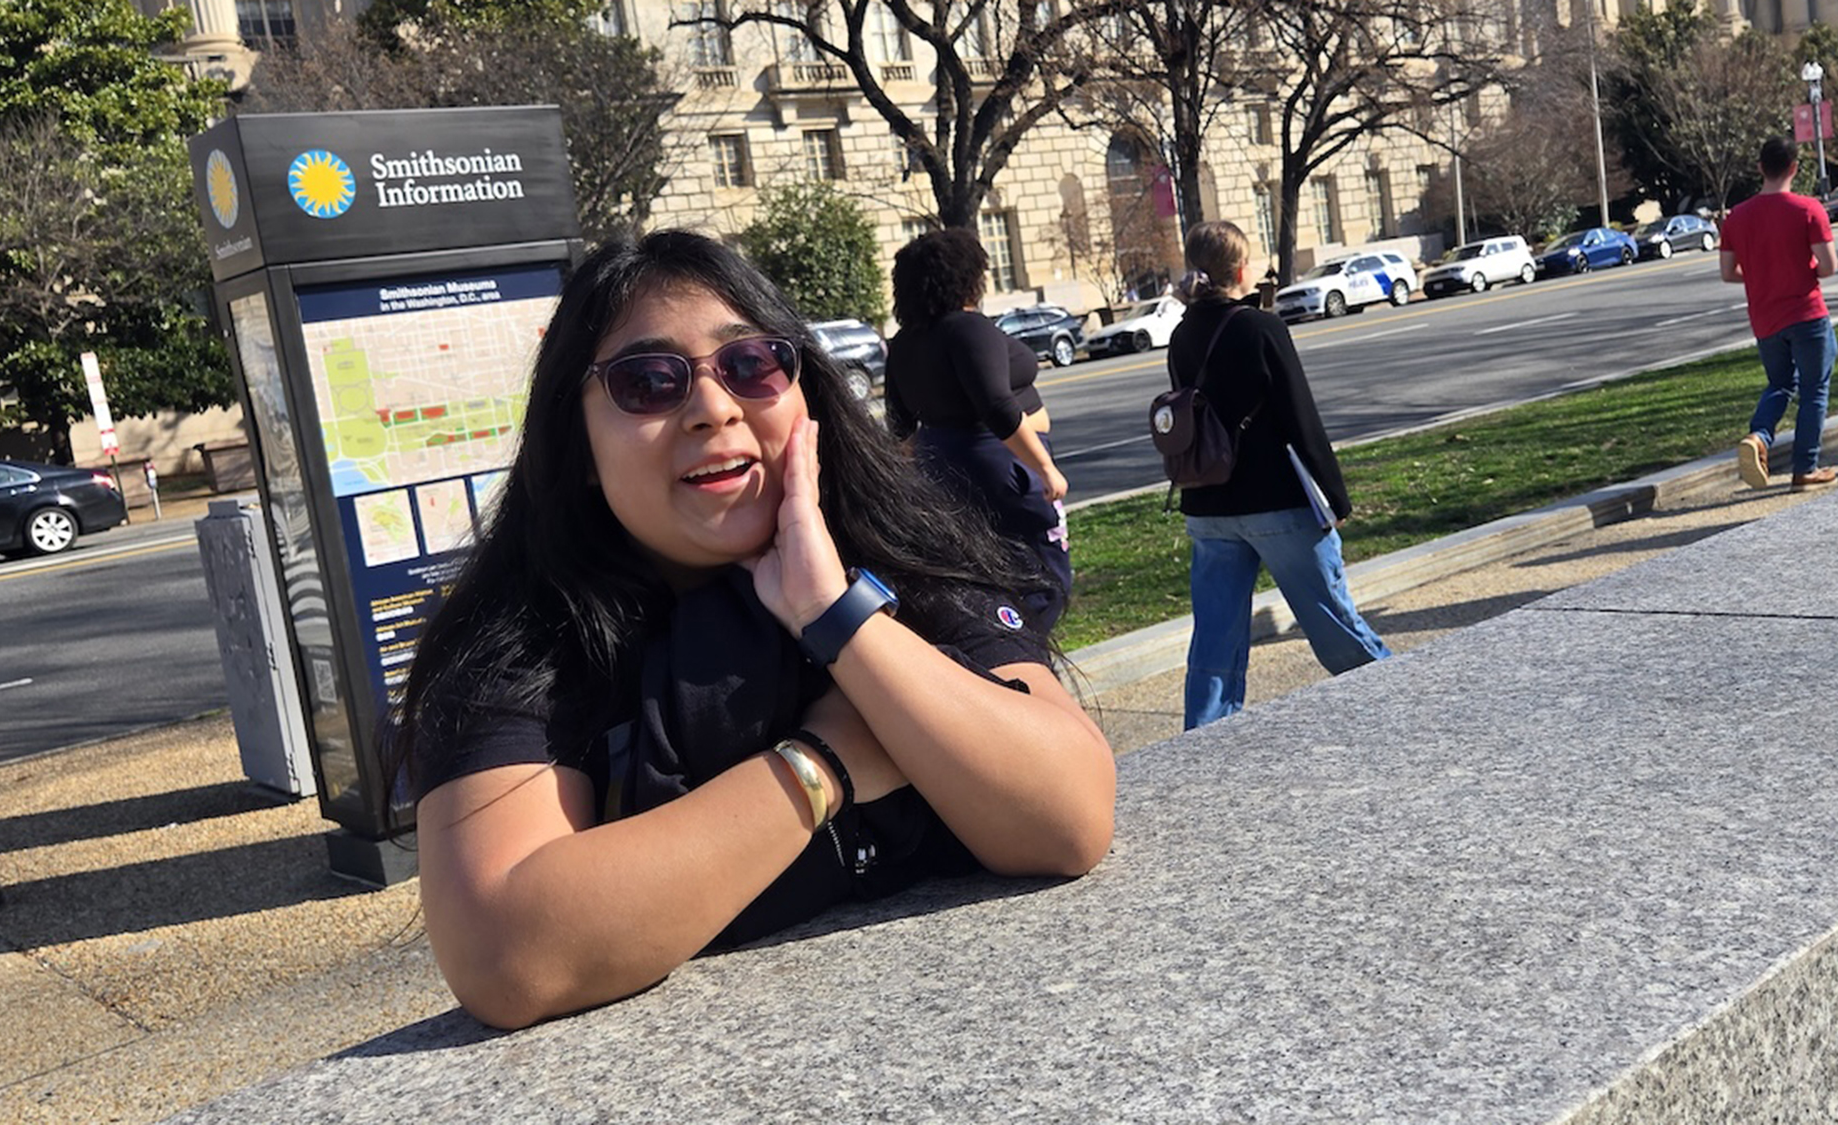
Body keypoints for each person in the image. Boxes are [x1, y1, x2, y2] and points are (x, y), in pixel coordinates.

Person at [394, 231, 1115, 1030]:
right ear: (580, 446)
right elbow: (507, 951)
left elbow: (1070, 815)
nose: (713, 406)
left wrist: (837, 617)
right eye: (647, 381)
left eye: (751, 363)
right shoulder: (518, 642)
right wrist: (829, 759)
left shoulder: (902, 553)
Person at [1166, 220, 1390, 731]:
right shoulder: (1261, 327)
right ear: (1241, 268)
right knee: (1332, 621)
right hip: (1275, 499)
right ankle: (1390, 693)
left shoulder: (1181, 334)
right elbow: (1299, 415)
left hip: (1208, 503)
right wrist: (1335, 496)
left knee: (1215, 639)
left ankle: (1203, 737)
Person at [885, 229, 1071, 630]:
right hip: (1001, 466)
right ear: (966, 275)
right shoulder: (969, 329)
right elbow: (997, 406)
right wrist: (1044, 468)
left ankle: (1002, 656)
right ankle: (1032, 669)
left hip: (943, 469)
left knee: (985, 579)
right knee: (1041, 580)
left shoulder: (903, 343)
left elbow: (899, 427)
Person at [1720, 135, 1838, 492]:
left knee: (1780, 384)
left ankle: (1759, 436)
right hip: (1806, 313)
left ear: (1760, 168)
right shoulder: (1808, 209)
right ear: (1794, 168)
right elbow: (1829, 265)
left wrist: (1759, 276)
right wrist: (1804, 272)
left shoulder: (1736, 218)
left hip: (1765, 318)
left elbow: (1728, 272)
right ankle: (1806, 467)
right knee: (1814, 389)